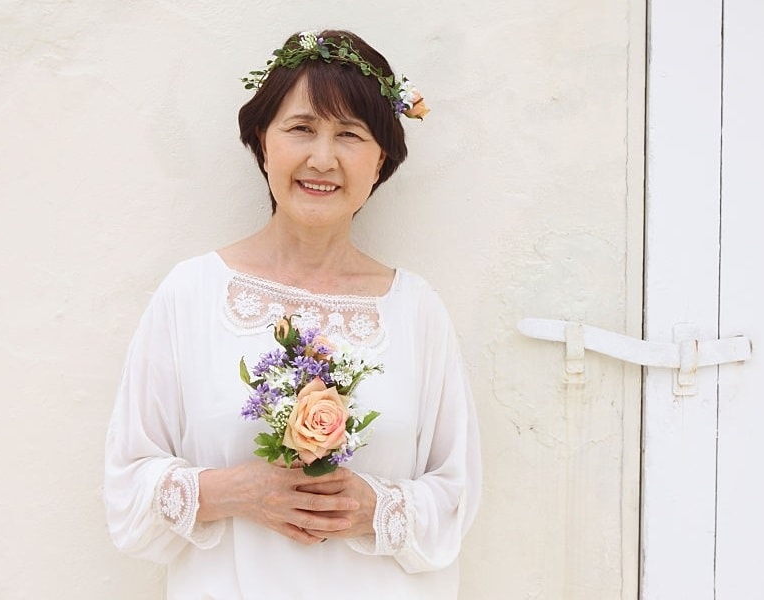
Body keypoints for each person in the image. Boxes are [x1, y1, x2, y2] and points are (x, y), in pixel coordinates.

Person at [103, 29, 481, 600]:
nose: (322, 159)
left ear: (380, 160)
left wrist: (373, 508)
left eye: (349, 135)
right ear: (263, 142)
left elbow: (455, 496)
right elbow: (128, 487)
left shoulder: (416, 311)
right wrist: (234, 491)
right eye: (301, 128)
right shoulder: (191, 294)